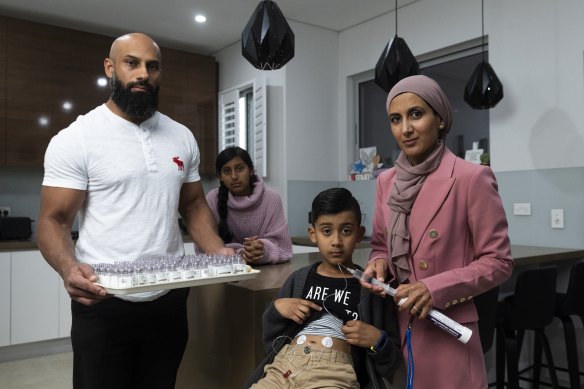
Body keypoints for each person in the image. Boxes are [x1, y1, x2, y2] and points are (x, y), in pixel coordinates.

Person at [36, 32, 234, 389]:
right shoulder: (77, 138)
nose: (143, 73)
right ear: (111, 68)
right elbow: (54, 220)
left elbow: (191, 205)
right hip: (103, 300)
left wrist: (217, 250)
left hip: (169, 299)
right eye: (132, 63)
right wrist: (68, 268)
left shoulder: (181, 137)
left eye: (152, 66)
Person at [362, 75, 514, 389]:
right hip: (397, 329)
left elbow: (499, 262)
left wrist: (434, 287)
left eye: (416, 114)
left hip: (447, 329)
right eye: (396, 119)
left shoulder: (471, 178)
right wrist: (378, 264)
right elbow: (380, 246)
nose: (405, 128)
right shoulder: (385, 181)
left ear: (440, 119)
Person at [245, 188, 401, 388]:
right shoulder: (298, 280)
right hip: (285, 365)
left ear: (359, 234)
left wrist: (377, 340)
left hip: (333, 373)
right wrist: (276, 310)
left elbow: (391, 362)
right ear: (313, 234)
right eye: (326, 231)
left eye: (346, 230)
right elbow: (270, 341)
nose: (336, 241)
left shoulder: (372, 289)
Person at [204, 146, 293, 264]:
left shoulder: (271, 198)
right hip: (226, 273)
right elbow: (204, 245)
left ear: (250, 170)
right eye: (227, 171)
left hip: (267, 274)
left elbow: (283, 246)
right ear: (220, 176)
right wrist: (241, 253)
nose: (234, 176)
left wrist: (262, 250)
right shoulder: (212, 199)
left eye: (240, 168)